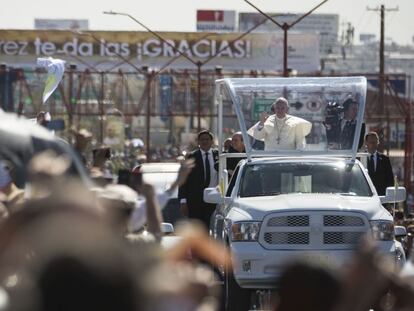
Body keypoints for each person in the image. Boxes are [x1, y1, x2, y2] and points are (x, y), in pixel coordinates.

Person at [178, 130, 219, 228]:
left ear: (212, 141)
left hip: (214, 199)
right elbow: (183, 179)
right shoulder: (191, 157)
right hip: (195, 201)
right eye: (202, 140)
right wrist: (183, 201)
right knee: (198, 229)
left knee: (212, 228)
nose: (204, 142)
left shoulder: (219, 155)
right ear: (198, 142)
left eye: (207, 139)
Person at [247, 97, 312, 151]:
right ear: (274, 108)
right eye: (277, 108)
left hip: (288, 157)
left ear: (287, 109)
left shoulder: (296, 122)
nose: (280, 110)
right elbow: (258, 136)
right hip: (270, 157)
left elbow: (300, 141)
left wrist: (298, 155)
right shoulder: (267, 120)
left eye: (282, 108)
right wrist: (261, 123)